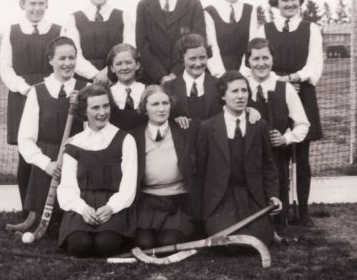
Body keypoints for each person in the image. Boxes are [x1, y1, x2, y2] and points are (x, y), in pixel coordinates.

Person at [260, 0, 323, 226]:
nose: (289, 4)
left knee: (302, 154)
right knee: (278, 154)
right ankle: (281, 212)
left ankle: (304, 211)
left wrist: (296, 78)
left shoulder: (311, 28)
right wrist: (283, 82)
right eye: (284, 0)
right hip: (275, 93)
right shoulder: (264, 29)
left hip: (303, 91)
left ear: (300, 1)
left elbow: (314, 64)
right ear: (276, 3)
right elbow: (260, 62)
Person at [197, 71, 282, 247]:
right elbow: (200, 170)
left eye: (244, 91)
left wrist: (273, 196)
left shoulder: (259, 126)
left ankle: (267, 231)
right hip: (221, 199)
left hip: (251, 196)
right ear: (223, 96)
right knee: (224, 241)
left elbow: (268, 166)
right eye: (234, 91)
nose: (240, 96)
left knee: (259, 238)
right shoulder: (208, 127)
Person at [0, 0, 62, 214]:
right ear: (23, 4)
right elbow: (5, 68)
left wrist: (48, 89)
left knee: (49, 151)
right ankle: (28, 211)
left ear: (47, 4)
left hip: (50, 95)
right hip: (22, 96)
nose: (37, 8)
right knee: (26, 156)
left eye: (41, 3)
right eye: (32, 3)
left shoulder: (57, 29)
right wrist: (24, 88)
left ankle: (51, 210)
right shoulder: (12, 30)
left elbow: (63, 62)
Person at [57, 85, 137, 257]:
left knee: (106, 245)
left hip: (113, 205)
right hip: (82, 206)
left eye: (106, 106)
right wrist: (82, 209)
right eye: (95, 107)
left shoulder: (125, 140)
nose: (102, 112)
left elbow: (129, 185)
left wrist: (111, 207)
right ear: (84, 111)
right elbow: (67, 187)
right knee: (79, 246)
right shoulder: (74, 143)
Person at [18, 36, 86, 236]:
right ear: (51, 60)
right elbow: (25, 139)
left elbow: (97, 130)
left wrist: (83, 107)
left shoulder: (87, 89)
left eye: (71, 58)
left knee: (74, 225)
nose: (67, 63)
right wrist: (47, 164)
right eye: (62, 58)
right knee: (50, 231)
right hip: (49, 164)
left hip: (78, 161)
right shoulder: (37, 92)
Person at [245, 37, 310, 233]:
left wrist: (285, 138)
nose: (261, 63)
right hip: (247, 155)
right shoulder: (241, 86)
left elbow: (303, 124)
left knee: (277, 194)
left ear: (272, 59)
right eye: (255, 59)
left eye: (265, 57)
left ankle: (279, 223)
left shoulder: (285, 88)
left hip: (276, 156)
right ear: (248, 61)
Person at [131, 85, 200, 249]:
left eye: (165, 103)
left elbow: (216, 125)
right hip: (147, 202)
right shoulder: (134, 136)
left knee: (167, 242)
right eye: (155, 104)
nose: (161, 109)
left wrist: (247, 111)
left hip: (179, 201)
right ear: (145, 109)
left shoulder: (185, 130)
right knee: (145, 244)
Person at [136, 0, 206, 86]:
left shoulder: (193, 4)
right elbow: (142, 46)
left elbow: (198, 42)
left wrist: (175, 74)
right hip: (153, 78)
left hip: (187, 75)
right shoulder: (144, 6)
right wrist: (161, 76)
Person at [64, 0, 135, 85]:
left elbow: (130, 50)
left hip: (118, 79)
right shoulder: (74, 19)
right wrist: (96, 75)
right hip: (85, 81)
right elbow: (74, 55)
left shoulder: (123, 16)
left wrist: (109, 73)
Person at [204, 0, 259, 77]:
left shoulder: (251, 10)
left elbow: (252, 44)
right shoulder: (209, 12)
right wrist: (221, 76)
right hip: (218, 75)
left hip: (246, 73)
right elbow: (212, 47)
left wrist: (244, 75)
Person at [165, 33, 222, 125]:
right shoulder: (169, 87)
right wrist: (174, 121)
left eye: (202, 58)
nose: (198, 63)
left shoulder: (218, 84)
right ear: (182, 58)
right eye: (192, 59)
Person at [106, 43, 148, 131]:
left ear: (137, 65)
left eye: (128, 62)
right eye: (118, 64)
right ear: (112, 68)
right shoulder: (105, 94)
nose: (124, 67)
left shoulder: (148, 91)